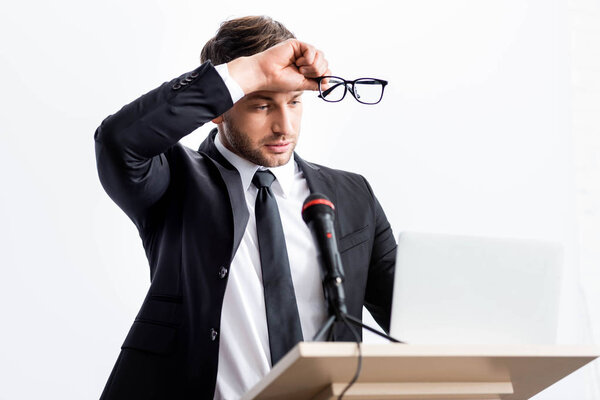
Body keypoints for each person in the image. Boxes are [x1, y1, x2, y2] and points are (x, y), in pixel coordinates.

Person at [95, 15, 396, 400]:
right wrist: (250, 71)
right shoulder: (173, 181)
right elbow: (118, 142)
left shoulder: (353, 195)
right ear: (219, 109)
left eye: (294, 102)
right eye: (260, 105)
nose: (284, 126)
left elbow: (416, 318)